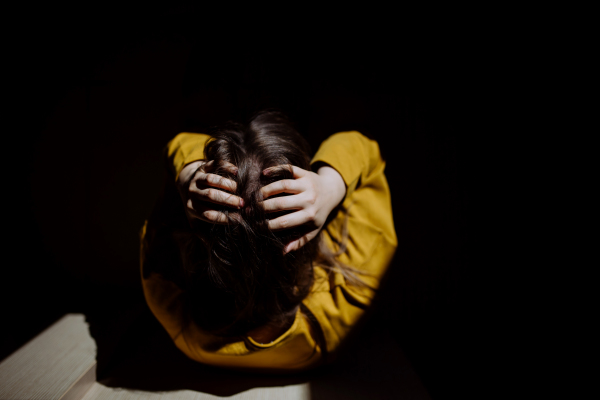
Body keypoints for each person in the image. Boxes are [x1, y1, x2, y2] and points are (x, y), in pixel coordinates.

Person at [140, 110, 397, 372]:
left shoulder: (169, 300)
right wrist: (330, 185)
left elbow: (179, 142)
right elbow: (362, 146)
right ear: (304, 239)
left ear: (192, 240)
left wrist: (189, 169)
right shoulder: (343, 309)